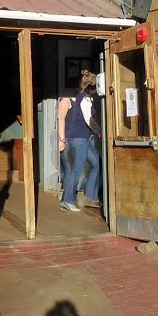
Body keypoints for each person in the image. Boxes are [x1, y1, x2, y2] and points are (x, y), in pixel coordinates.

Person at [58, 69, 102, 212]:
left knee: (96, 163)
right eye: (96, 86)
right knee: (76, 170)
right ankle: (66, 201)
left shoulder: (84, 98)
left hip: (85, 138)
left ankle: (90, 196)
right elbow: (88, 119)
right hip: (79, 138)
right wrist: (100, 131)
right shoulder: (82, 99)